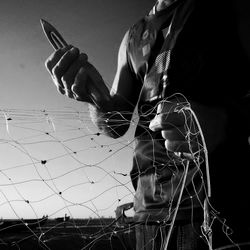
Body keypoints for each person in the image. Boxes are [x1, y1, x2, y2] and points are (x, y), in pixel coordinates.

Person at [45, 0, 250, 249]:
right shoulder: (132, 36)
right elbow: (114, 125)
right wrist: (94, 96)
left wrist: (226, 121)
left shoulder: (234, 7)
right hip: (149, 211)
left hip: (221, 206)